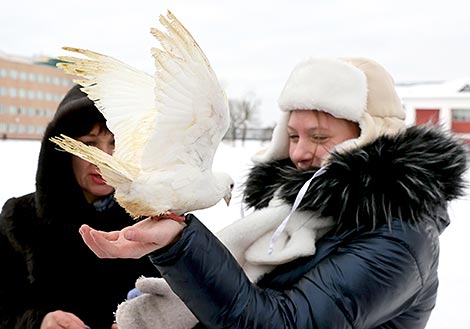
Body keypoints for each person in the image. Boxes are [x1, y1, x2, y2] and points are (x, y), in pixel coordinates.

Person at [77, 57, 467, 329]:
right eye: (293, 135)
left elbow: (280, 322)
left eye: (318, 137)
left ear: (369, 137)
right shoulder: (291, 213)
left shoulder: (398, 238)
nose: (298, 152)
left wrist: (184, 247)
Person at [0, 85, 156, 329]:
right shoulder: (20, 219)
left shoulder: (155, 219)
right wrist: (39, 322)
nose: (104, 159)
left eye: (115, 143)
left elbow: (192, 301)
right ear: (63, 150)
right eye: (89, 145)